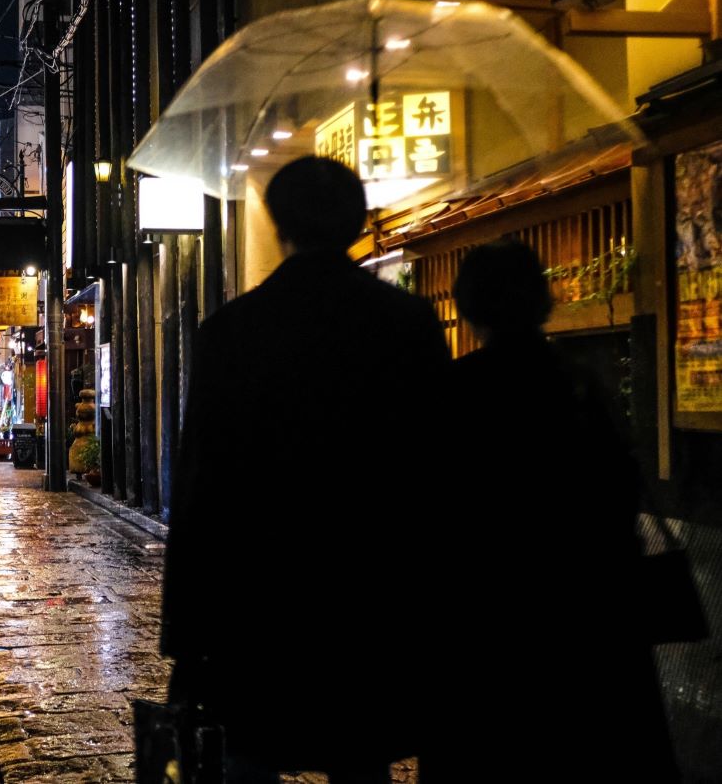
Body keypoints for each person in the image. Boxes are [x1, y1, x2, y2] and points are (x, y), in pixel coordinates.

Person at [160, 156, 450, 783]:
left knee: (248, 758)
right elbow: (438, 476)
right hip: (373, 600)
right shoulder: (408, 326)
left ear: (277, 223)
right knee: (361, 757)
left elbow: (200, 493)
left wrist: (185, 639)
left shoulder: (230, 334)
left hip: (257, 606)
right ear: (357, 220)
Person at [434, 239, 678, 782]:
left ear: (468, 307)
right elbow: (620, 491)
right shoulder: (582, 384)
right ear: (541, 301)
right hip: (593, 626)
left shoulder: (454, 392)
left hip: (487, 635)